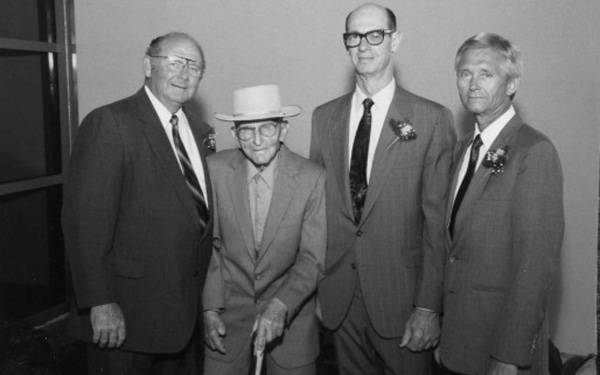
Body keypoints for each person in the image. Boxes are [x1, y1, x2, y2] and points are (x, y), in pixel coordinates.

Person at [310, 3, 456, 374]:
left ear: (396, 41)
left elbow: (437, 225)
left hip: (403, 303)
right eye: (354, 36)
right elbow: (315, 215)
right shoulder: (324, 117)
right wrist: (317, 289)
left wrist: (427, 308)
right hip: (341, 301)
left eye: (375, 35)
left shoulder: (431, 119)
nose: (364, 45)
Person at [62, 32, 214, 374]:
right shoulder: (111, 123)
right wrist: (100, 301)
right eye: (174, 62)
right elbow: (84, 222)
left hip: (183, 320)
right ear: (148, 65)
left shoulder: (200, 131)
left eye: (194, 66)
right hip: (125, 320)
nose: (184, 73)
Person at [438, 33, 564, 375]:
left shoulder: (534, 151)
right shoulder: (464, 148)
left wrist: (509, 354)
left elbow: (535, 265)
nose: (473, 83)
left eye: (486, 73)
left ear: (512, 84)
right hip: (458, 342)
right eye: (465, 74)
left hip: (502, 347)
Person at [202, 84, 326, 375]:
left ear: (283, 130)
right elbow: (209, 246)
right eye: (246, 131)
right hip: (224, 322)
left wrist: (281, 306)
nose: (257, 141)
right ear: (234, 135)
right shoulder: (214, 170)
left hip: (291, 320)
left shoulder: (312, 178)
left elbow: (313, 258)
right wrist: (209, 308)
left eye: (267, 129)